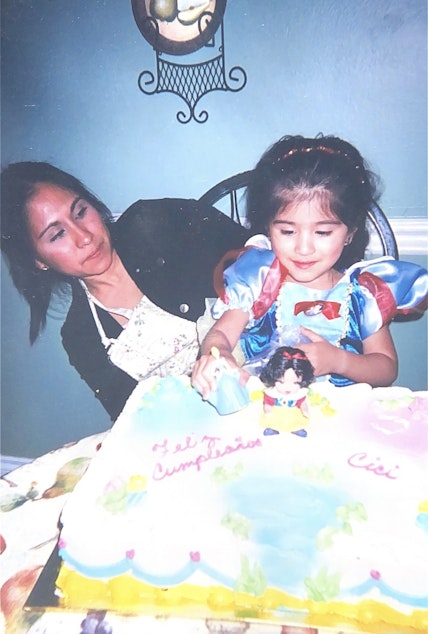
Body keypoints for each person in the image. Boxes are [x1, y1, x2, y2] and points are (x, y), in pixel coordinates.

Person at [1, 162, 250, 420]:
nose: (84, 236)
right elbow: (132, 417)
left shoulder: (154, 224)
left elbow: (258, 256)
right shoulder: (80, 336)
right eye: (57, 235)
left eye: (80, 212)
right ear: (38, 260)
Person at [192, 134, 428, 398]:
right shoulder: (260, 281)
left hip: (342, 416)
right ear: (269, 228)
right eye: (288, 231)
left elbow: (386, 369)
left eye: (323, 232)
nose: (304, 249)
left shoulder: (363, 293)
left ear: (350, 232)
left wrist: (339, 361)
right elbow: (220, 335)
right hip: (265, 412)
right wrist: (219, 355)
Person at [259, 346, 314, 436]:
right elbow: (267, 402)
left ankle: (296, 428)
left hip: (292, 412)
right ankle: (272, 428)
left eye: (295, 383)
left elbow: (302, 402)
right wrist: (268, 409)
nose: (288, 387)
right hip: (276, 412)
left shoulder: (298, 394)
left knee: (296, 421)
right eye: (281, 382)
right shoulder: (273, 393)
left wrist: (305, 410)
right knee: (272, 420)